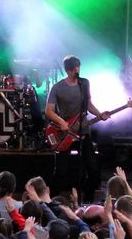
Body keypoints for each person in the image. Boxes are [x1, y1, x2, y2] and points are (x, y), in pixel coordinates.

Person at [45, 55, 109, 199]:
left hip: (83, 131)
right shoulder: (58, 87)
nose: (77, 71)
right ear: (68, 71)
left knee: (92, 169)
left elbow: (89, 105)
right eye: (74, 69)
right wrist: (61, 122)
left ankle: (88, 199)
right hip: (65, 133)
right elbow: (48, 110)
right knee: (60, 171)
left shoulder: (85, 83)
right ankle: (52, 199)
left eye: (78, 68)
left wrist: (99, 115)